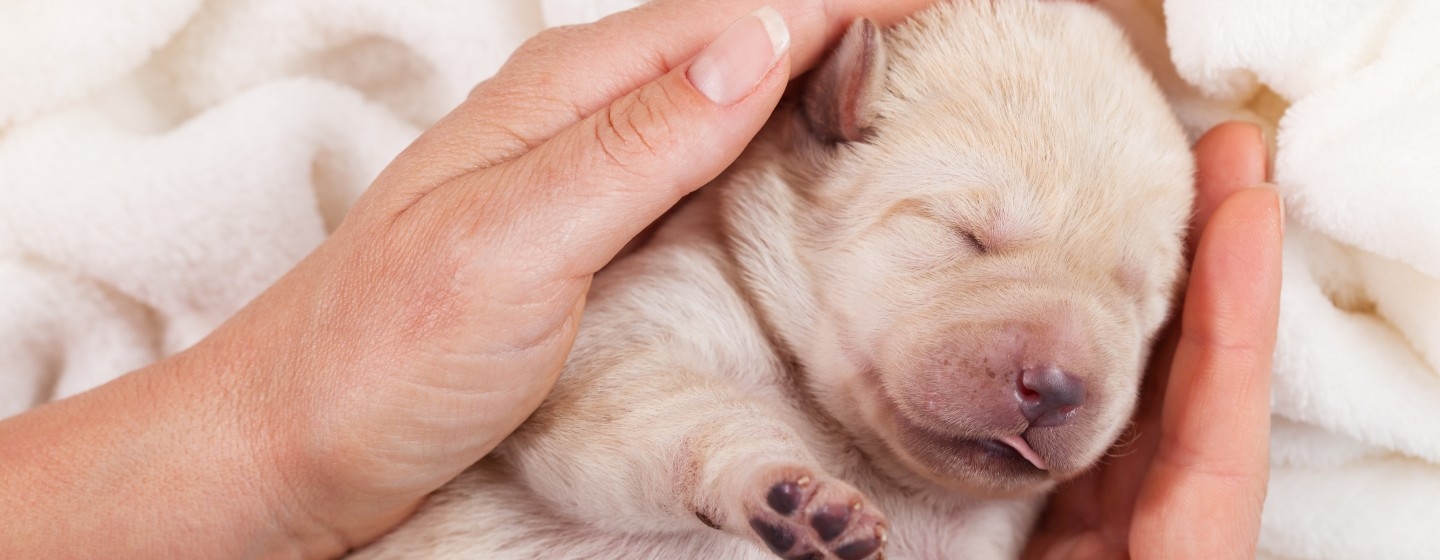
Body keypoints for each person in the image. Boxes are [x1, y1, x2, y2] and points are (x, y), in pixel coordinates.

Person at [0, 1, 1282, 558]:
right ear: (827, 130)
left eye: (1128, 289)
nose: (1062, 361)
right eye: (969, 242)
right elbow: (580, 427)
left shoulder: (1009, 501)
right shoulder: (706, 289)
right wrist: (731, 464)